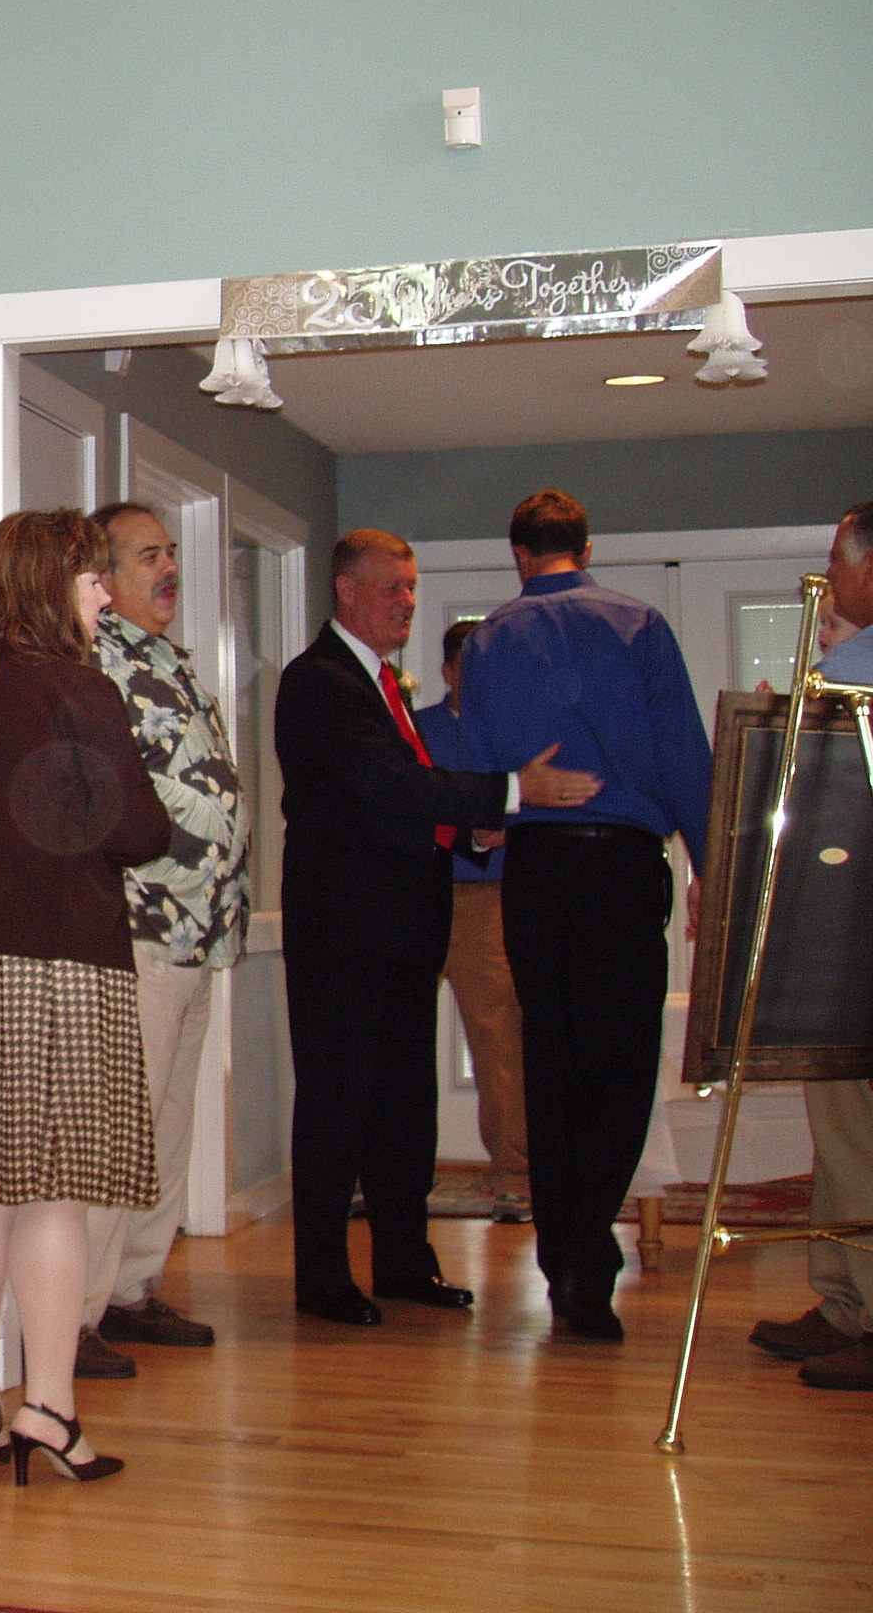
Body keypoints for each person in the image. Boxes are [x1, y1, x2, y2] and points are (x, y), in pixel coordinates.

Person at [275, 528, 599, 1327]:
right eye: (394, 587)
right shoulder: (318, 680)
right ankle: (322, 1279)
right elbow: (382, 784)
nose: (408, 602)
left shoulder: (382, 681)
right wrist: (512, 793)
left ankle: (402, 1264)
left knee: (404, 1110)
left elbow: (398, 800)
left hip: (400, 934)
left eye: (413, 588)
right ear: (347, 589)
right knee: (338, 1109)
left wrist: (468, 834)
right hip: (344, 938)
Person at [0, 507, 171, 1482]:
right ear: (46, 583)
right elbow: (141, 831)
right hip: (65, 968)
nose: (103, 594)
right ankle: (49, 1412)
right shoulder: (79, 689)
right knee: (55, 1197)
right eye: (89, 578)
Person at [457, 490, 712, 1342]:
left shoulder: (489, 640)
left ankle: (566, 1253)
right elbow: (685, 758)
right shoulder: (639, 626)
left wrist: (495, 819)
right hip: (622, 867)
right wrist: (711, 868)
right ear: (586, 548)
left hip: (536, 871)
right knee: (626, 1064)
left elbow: (483, 772)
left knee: (552, 1060)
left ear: (520, 555)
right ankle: (586, 1251)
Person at [77, 501, 248, 1382]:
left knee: (170, 1127)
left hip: (200, 932)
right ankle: (72, 1316)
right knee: (120, 1132)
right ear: (103, 577)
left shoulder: (171, 662)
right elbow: (115, 790)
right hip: (140, 928)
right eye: (149, 556)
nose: (169, 569)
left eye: (170, 552)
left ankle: (133, 1289)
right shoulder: (97, 662)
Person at [748, 496, 873, 1392]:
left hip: (857, 937)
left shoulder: (854, 672)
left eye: (838, 561)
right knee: (840, 1128)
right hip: (841, 937)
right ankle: (843, 1302)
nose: (828, 579)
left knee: (858, 1132)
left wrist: (800, 703)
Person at [415, 617, 532, 1223]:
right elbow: (402, 802)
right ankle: (392, 1171)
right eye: (472, 665)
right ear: (448, 671)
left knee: (498, 1036)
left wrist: (502, 831)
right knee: (398, 1038)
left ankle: (514, 1172)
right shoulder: (416, 730)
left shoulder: (519, 732)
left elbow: (537, 808)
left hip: (487, 901)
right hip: (415, 894)